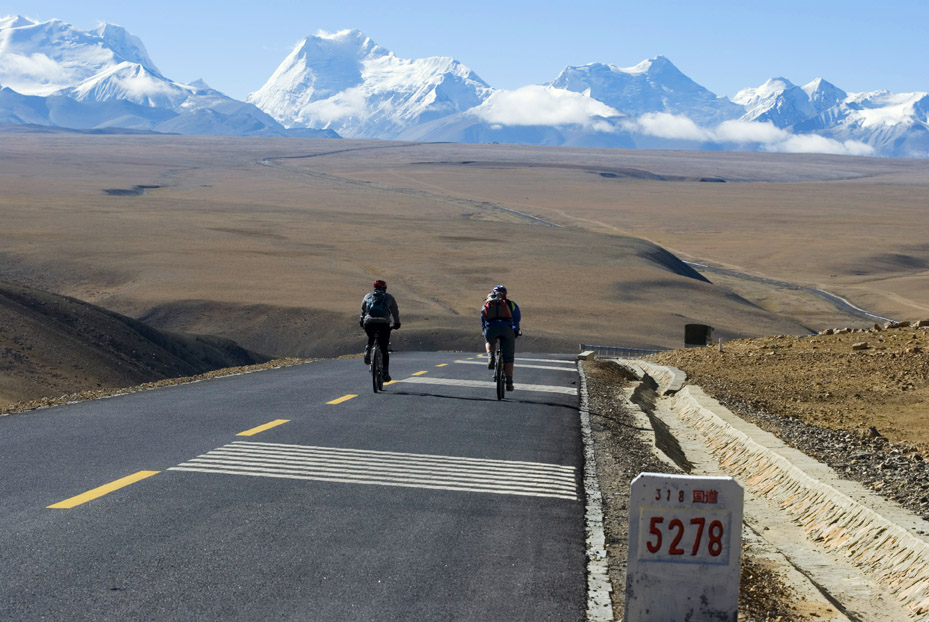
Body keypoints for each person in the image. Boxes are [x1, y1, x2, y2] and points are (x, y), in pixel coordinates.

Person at [481, 285, 521, 391]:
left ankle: (491, 357)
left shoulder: (488, 302)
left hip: (491, 329)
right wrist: (516, 330)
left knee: (489, 340)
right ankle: (509, 382)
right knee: (509, 358)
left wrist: (484, 330)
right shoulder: (511, 304)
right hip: (506, 329)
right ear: (505, 294)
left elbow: (482, 316)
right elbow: (517, 317)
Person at [360, 280, 400, 382]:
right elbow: (395, 312)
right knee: (384, 349)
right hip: (384, 324)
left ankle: (368, 349)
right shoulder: (389, 297)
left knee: (371, 336)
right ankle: (385, 373)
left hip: (369, 323)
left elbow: (363, 310)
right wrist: (396, 323)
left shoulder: (368, 296)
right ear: (385, 288)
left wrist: (362, 321)